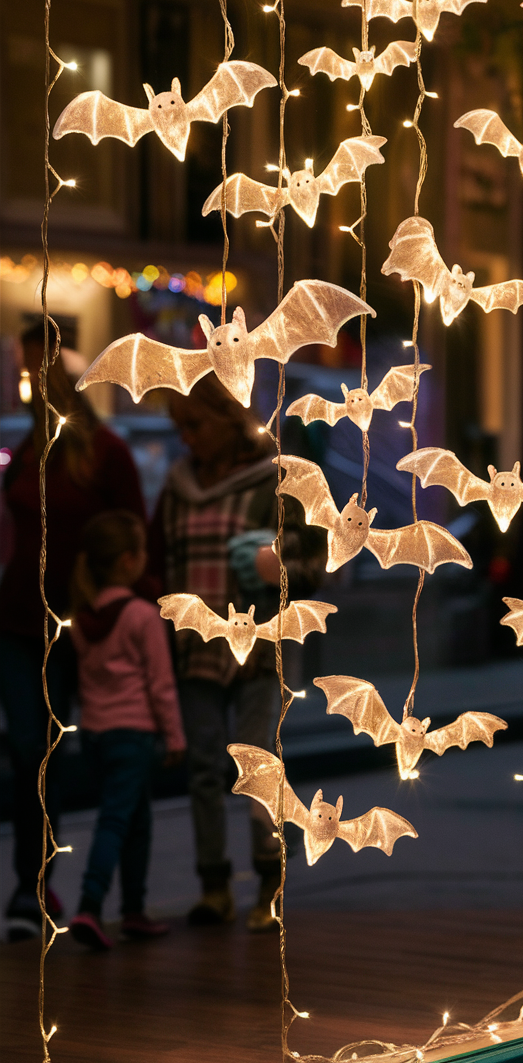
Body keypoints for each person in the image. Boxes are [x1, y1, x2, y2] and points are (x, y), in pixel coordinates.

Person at [150, 373, 326, 931]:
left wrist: (278, 571)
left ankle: (269, 885)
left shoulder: (275, 484)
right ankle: (214, 886)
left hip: (259, 647)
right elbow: (162, 566)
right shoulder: (178, 488)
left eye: (195, 425)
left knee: (257, 767)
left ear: (228, 419)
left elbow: (313, 571)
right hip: (194, 647)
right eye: (180, 428)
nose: (187, 439)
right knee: (203, 767)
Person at [0, 323, 146, 941]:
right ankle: (30, 889)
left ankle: (121, 898)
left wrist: (126, 619)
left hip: (86, 629)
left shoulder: (105, 452)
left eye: (44, 368)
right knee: (32, 753)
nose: (37, 382)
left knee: (118, 751)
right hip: (19, 623)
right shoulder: (29, 449)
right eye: (30, 370)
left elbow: (134, 538)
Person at [69, 510, 186, 950]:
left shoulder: (81, 618)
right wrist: (174, 737)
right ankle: (89, 905)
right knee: (118, 821)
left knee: (136, 821)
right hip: (134, 735)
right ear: (127, 561)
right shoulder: (141, 615)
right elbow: (160, 683)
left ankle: (134, 911)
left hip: (98, 737)